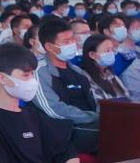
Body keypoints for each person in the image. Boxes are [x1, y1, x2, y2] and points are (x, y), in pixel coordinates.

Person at [0, 43, 80, 163]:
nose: (32, 81)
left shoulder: (33, 114)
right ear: (2, 78)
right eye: (25, 75)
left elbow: (65, 148)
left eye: (32, 74)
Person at [32, 18, 99, 153]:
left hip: (90, 125)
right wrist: (93, 118)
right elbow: (54, 110)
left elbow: (94, 101)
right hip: (64, 132)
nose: (72, 44)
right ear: (49, 47)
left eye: (72, 40)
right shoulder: (39, 72)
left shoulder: (78, 72)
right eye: (66, 42)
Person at [80, 34, 129, 100]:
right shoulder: (85, 78)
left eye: (112, 50)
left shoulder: (109, 73)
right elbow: (98, 103)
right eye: (107, 51)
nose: (111, 54)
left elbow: (127, 96)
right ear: (92, 55)